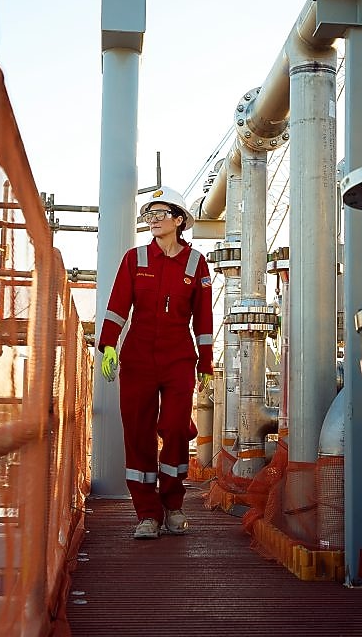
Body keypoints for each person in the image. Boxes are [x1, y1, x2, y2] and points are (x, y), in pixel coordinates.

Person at [97, 186, 214, 540]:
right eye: (149, 215)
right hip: (137, 359)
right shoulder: (135, 259)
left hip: (178, 357)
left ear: (179, 221)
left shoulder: (196, 264)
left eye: (160, 214)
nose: (153, 221)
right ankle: (147, 514)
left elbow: (204, 320)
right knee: (137, 432)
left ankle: (173, 504)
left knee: (176, 427)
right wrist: (109, 345)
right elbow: (118, 305)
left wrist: (205, 363)